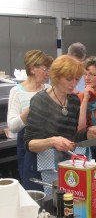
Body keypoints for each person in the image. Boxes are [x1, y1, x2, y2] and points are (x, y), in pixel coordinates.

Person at [23, 55, 96, 193]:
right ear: (56, 76)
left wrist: (90, 134)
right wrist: (53, 141)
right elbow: (29, 144)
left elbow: (73, 137)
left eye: (76, 79)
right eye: (69, 79)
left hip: (64, 166)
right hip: (39, 170)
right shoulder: (40, 101)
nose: (73, 83)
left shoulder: (73, 100)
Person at [7, 50, 53, 184]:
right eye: (45, 69)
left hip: (49, 144)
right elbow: (13, 126)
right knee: (32, 186)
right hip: (28, 144)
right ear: (32, 69)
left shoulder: (48, 88)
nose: (47, 73)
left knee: (51, 185)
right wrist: (31, 108)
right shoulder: (17, 92)